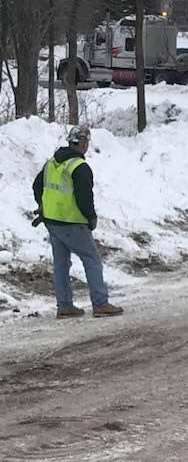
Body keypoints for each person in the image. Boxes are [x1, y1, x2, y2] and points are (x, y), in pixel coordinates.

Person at [32, 126, 123, 319]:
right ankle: (100, 303)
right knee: (92, 259)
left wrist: (42, 205)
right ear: (83, 144)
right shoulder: (79, 167)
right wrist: (91, 218)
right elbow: (84, 197)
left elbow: (37, 185)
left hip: (52, 221)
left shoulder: (52, 163)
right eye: (86, 143)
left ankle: (65, 306)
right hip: (72, 222)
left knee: (61, 264)